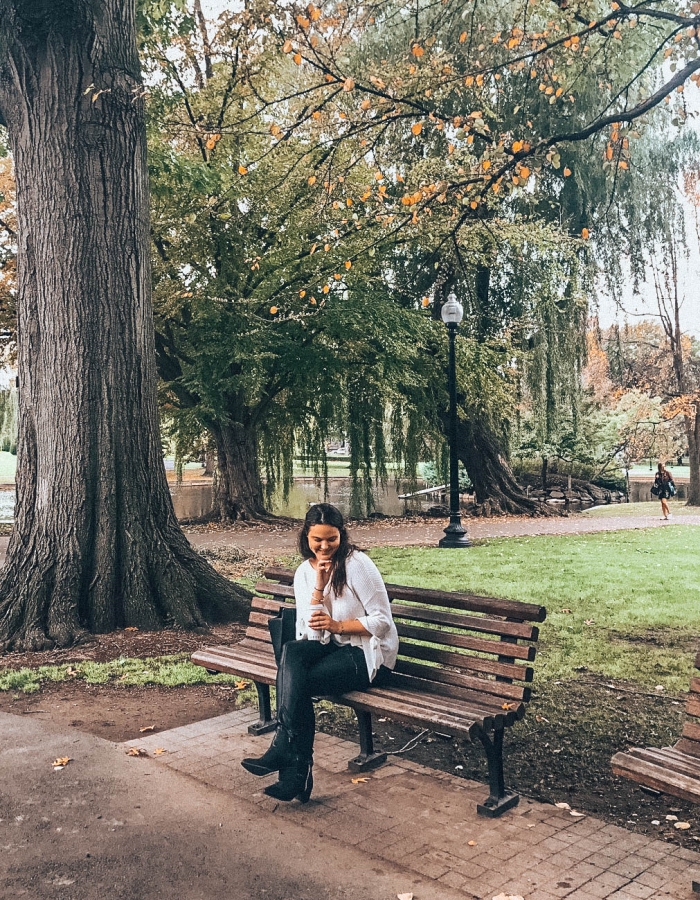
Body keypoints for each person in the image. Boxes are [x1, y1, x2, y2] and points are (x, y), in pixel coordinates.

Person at [241, 503, 398, 802]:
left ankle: (290, 762)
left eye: (332, 539)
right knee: (293, 654)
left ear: (342, 535)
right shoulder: (304, 572)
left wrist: (339, 625)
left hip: (368, 655)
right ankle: (291, 761)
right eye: (318, 540)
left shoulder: (358, 565)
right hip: (333, 648)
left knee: (297, 682)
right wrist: (318, 588)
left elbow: (382, 623)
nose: (325, 547)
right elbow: (312, 634)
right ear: (306, 538)